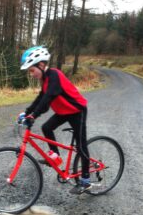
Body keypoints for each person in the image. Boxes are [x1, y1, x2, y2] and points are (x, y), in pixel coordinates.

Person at [18, 46, 91, 195]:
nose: (31, 74)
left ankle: (85, 180)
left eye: (32, 70)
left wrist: (34, 116)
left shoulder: (54, 76)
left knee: (81, 146)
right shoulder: (45, 80)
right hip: (64, 112)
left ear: (41, 65)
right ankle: (55, 157)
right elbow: (40, 99)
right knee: (46, 128)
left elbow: (48, 98)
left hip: (77, 111)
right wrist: (27, 112)